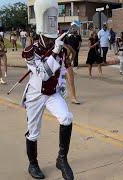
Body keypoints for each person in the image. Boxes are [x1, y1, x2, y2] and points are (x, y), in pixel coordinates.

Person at [21, 0, 74, 179]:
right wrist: (54, 51)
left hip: (52, 93)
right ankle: (33, 164)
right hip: (35, 95)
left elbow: (62, 71)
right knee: (33, 132)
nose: (53, 39)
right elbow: (43, 74)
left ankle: (62, 159)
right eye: (50, 37)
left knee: (66, 118)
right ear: (41, 33)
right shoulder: (30, 51)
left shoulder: (59, 48)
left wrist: (63, 86)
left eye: (54, 36)